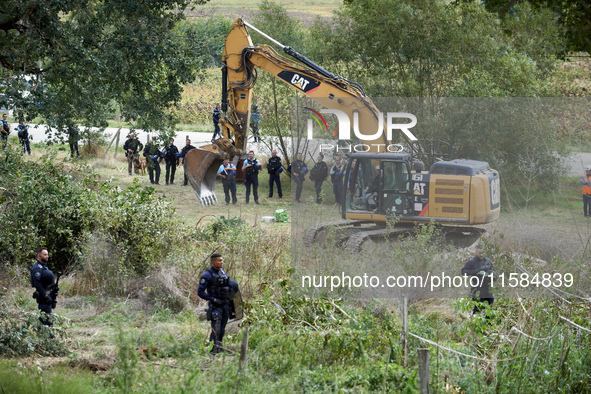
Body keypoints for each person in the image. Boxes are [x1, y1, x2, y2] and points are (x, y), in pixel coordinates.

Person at [197, 253, 240, 356]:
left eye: (222, 260)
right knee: (216, 329)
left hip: (225, 306)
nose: (222, 262)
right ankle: (212, 352)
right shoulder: (207, 275)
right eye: (219, 260)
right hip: (215, 306)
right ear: (213, 262)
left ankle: (219, 350)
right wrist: (214, 299)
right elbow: (200, 292)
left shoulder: (222, 273)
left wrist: (232, 308)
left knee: (222, 329)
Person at [461, 246, 495, 315]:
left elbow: (493, 271)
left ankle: (488, 324)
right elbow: (463, 271)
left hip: (487, 288)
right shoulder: (472, 262)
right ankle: (475, 323)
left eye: (482, 253)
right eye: (479, 253)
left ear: (485, 252)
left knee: (489, 305)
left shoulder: (487, 261)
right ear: (476, 252)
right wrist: (474, 272)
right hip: (477, 288)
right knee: (477, 308)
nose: (481, 255)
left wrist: (493, 276)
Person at [30, 247, 56, 327]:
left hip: (48, 294)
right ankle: (50, 336)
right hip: (43, 296)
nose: (47, 256)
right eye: (44, 255)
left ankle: (39, 330)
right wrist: (45, 295)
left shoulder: (44, 266)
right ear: (39, 256)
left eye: (47, 254)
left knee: (44, 315)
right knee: (47, 315)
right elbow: (38, 284)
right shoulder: (36, 268)